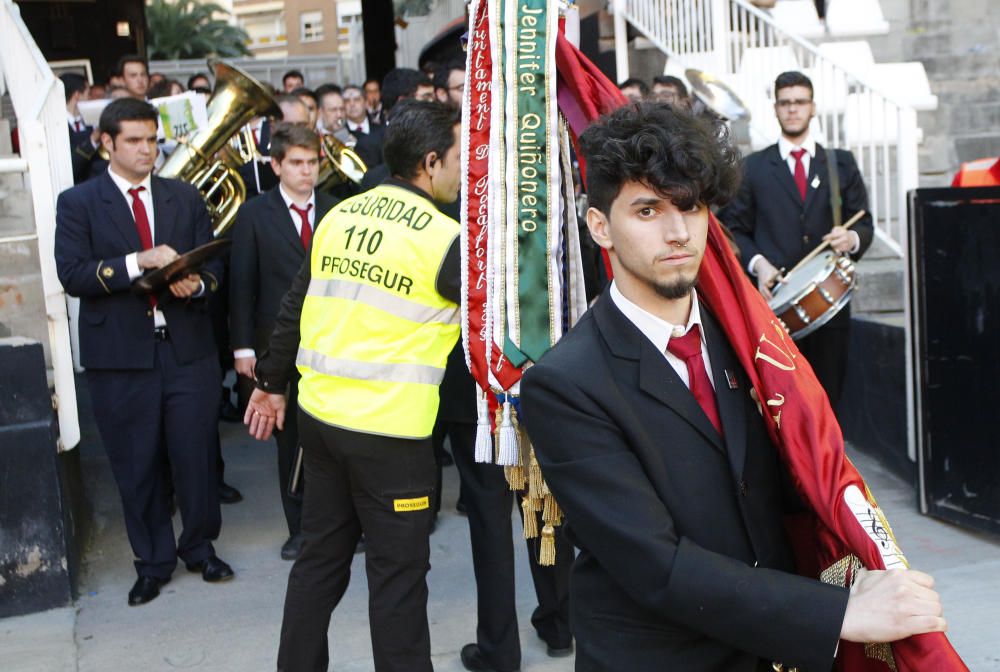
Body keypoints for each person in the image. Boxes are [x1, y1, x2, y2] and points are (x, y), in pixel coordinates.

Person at [519, 102, 947, 671]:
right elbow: (657, 565)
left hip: (776, 650)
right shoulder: (564, 384)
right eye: (647, 210)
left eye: (690, 207)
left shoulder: (750, 344)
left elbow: (799, 478)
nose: (677, 233)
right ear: (600, 225)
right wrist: (836, 613)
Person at [244, 101, 462, 672]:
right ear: (430, 161)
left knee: (318, 563)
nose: (464, 171)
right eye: (460, 158)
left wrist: (270, 381)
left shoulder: (340, 215)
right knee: (397, 584)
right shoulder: (445, 239)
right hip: (392, 437)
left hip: (321, 428)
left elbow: (295, 304)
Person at [54, 98, 234, 607]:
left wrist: (197, 285)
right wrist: (139, 261)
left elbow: (217, 269)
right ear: (106, 142)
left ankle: (200, 547)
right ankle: (153, 562)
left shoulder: (184, 196)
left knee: (196, 456)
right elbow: (72, 275)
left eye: (153, 140)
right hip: (120, 358)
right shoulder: (78, 203)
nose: (147, 150)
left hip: (188, 352)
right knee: (137, 463)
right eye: (134, 141)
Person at [719, 70, 873, 406]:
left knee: (828, 401)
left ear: (813, 107)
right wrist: (758, 265)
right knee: (782, 404)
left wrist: (851, 238)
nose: (792, 109)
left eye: (800, 102)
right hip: (774, 306)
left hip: (828, 305)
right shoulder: (753, 168)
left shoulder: (840, 163)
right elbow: (735, 230)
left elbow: (865, 225)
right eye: (785, 103)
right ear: (775, 108)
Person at [229, 123, 338, 561]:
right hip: (277, 346)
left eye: (312, 162)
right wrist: (243, 350)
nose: (306, 171)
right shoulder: (255, 213)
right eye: (296, 163)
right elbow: (242, 283)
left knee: (332, 439)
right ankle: (300, 529)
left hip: (330, 342)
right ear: (275, 165)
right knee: (289, 439)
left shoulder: (335, 209)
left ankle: (338, 525)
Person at [62, 72, 101, 184]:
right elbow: (69, 167)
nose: (90, 99)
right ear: (77, 95)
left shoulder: (90, 122)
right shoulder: (57, 127)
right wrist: (93, 140)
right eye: (88, 94)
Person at [344, 84, 385, 169]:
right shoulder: (340, 134)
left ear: (366, 103)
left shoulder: (382, 130)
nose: (352, 104)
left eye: (357, 100)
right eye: (347, 101)